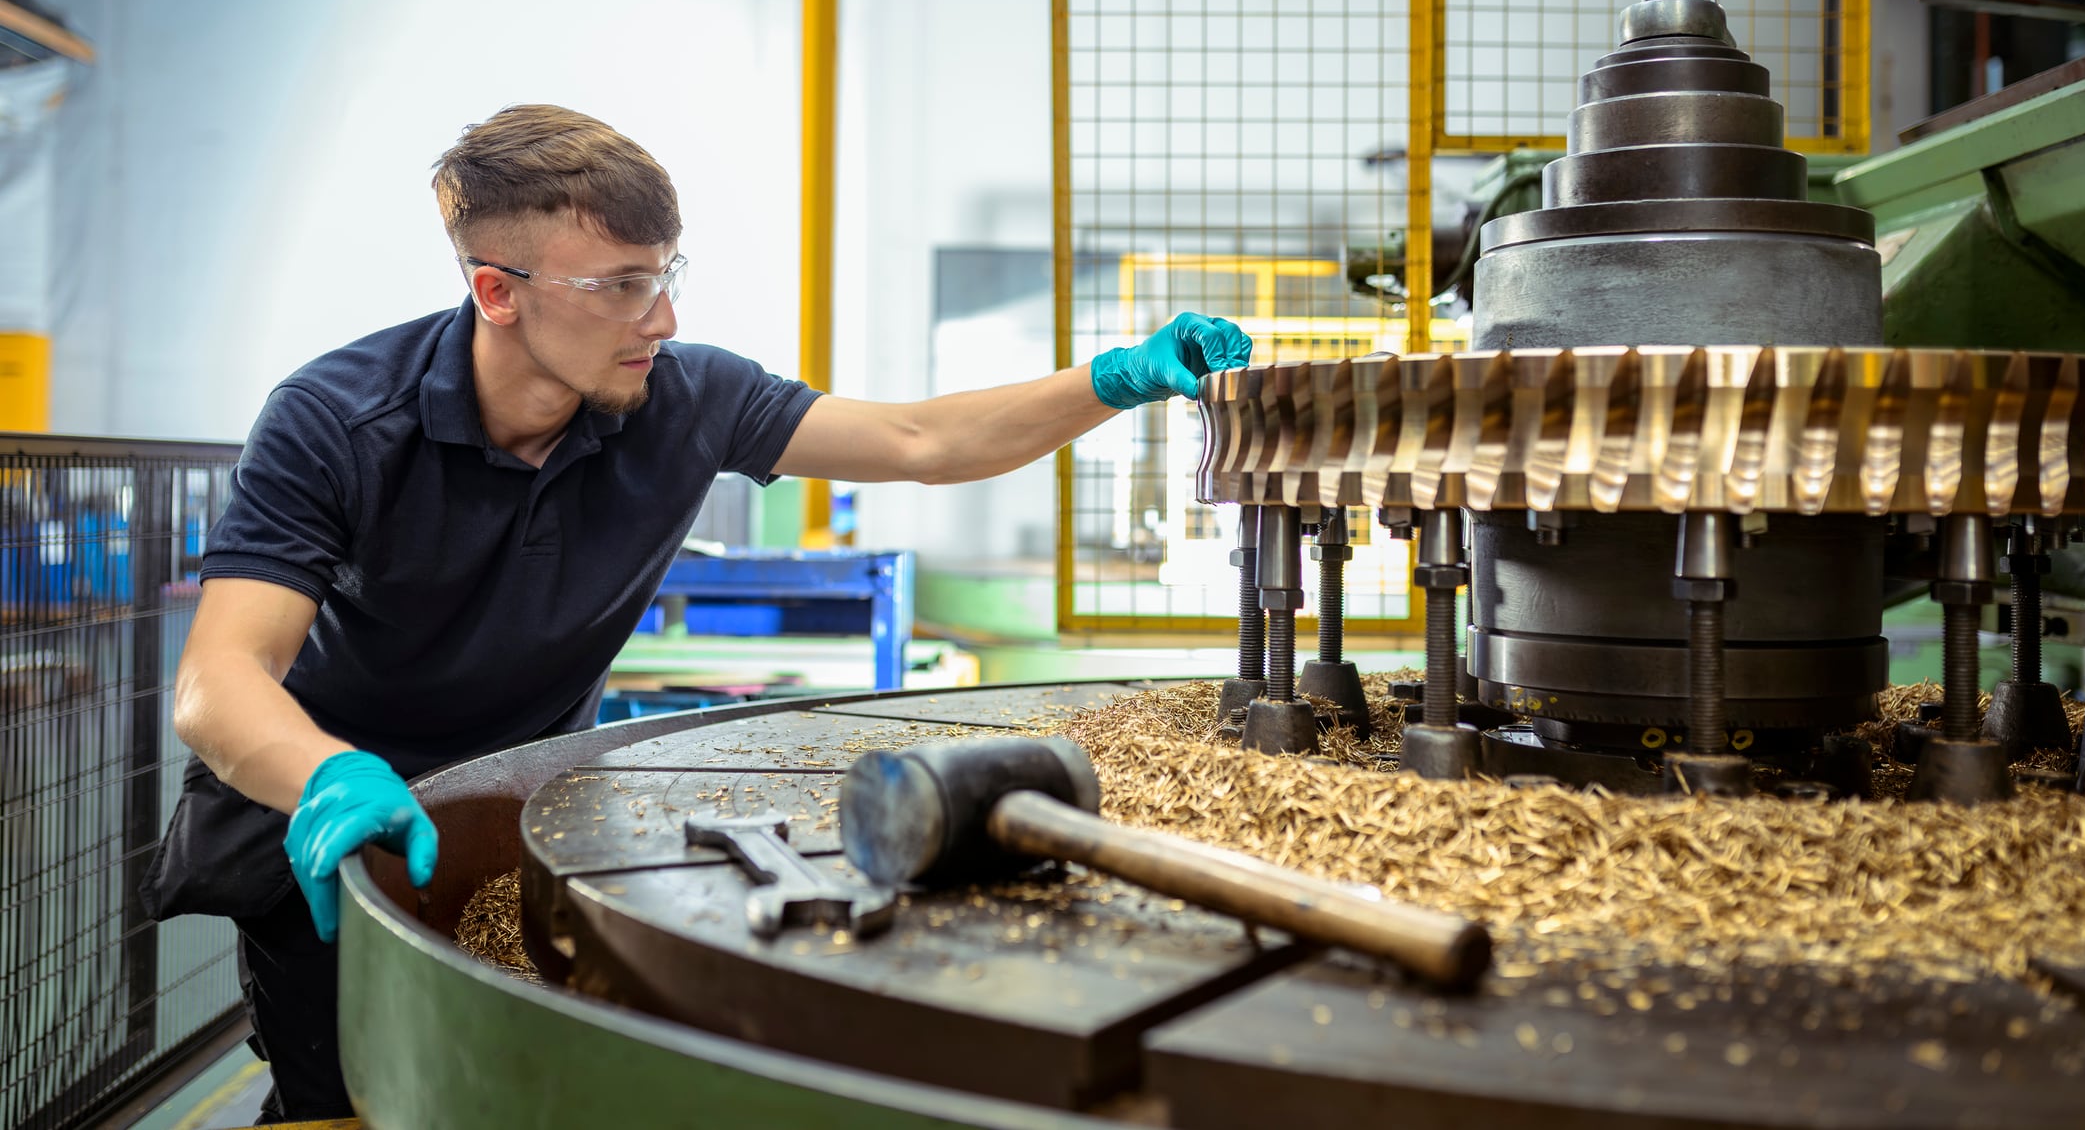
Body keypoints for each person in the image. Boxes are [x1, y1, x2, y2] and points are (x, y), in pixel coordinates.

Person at [141, 103, 1252, 1121]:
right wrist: (331, 778)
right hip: (334, 828)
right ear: (497, 290)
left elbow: (923, 441)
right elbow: (218, 677)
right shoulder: (335, 419)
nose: (662, 315)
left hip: (514, 814)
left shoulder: (688, 396)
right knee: (349, 1097)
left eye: (667, 273)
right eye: (620, 284)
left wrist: (1114, 378)